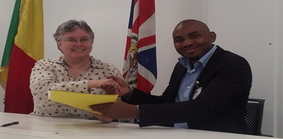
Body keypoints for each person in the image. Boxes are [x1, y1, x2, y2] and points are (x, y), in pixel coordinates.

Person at [91, 19, 252, 134]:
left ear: (212, 36)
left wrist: (135, 111)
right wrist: (129, 93)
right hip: (172, 133)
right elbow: (166, 101)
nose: (187, 43)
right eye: (179, 40)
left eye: (194, 36)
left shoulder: (233, 64)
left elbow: (203, 108)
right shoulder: (182, 65)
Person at [30, 19, 122, 122]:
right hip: (45, 127)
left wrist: (110, 116)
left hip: (92, 129)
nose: (78, 44)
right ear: (59, 44)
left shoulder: (110, 71)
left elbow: (120, 107)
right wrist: (90, 84)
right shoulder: (44, 65)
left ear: (92, 42)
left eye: (84, 39)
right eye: (71, 40)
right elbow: (42, 92)